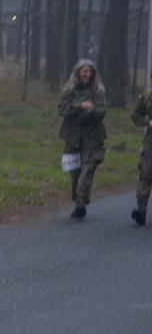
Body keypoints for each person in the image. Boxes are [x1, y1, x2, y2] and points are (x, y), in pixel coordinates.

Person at [57, 58, 106, 219]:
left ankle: (80, 201)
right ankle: (78, 200)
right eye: (85, 71)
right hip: (72, 135)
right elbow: (61, 108)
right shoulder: (69, 89)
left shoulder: (98, 90)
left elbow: (103, 110)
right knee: (74, 171)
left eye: (90, 71)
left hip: (93, 136)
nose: (88, 74)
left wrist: (92, 112)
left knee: (88, 168)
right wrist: (80, 106)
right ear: (78, 72)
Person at [129, 76, 152, 225]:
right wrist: (147, 122)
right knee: (145, 173)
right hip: (150, 143)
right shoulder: (146, 97)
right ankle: (141, 211)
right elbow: (135, 115)